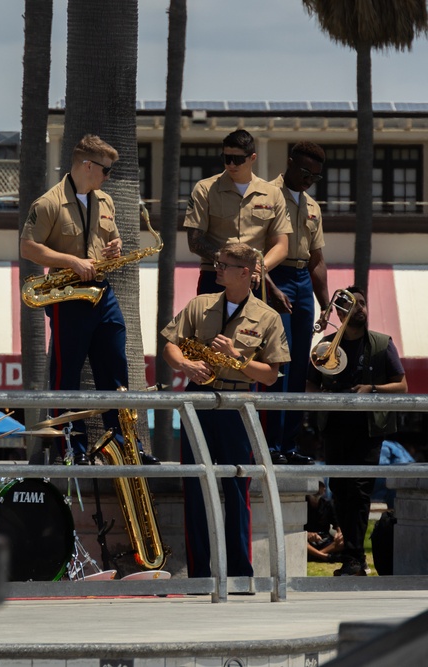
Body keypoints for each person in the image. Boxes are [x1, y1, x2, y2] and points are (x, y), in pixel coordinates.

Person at [161, 242, 290, 579]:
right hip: (198, 401)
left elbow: (272, 375)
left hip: (237, 405)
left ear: (245, 273)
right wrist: (186, 365)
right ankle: (200, 575)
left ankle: (239, 574)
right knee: (195, 486)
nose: (217, 268)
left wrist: (237, 357)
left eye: (225, 264)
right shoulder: (200, 304)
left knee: (236, 487)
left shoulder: (268, 316)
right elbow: (170, 346)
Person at [19, 134, 151, 464]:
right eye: (106, 170)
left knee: (116, 369)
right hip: (68, 295)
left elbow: (112, 235)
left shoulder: (104, 200)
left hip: (102, 292)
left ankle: (123, 446)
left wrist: (115, 246)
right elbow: (28, 247)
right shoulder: (48, 202)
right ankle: (70, 448)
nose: (109, 177)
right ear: (87, 166)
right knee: (67, 374)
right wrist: (71, 261)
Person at [306, 286, 407, 576]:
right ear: (338, 312)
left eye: (362, 303)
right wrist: (323, 397)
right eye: (351, 305)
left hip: (368, 429)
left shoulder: (381, 343)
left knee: (360, 491)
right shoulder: (325, 345)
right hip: (336, 427)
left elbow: (402, 385)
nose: (359, 309)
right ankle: (352, 556)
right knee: (339, 489)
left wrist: (371, 389)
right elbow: (309, 385)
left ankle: (354, 556)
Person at [263, 141, 330, 465]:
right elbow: (255, 250)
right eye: (304, 171)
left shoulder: (313, 206)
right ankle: (270, 445)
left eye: (315, 176)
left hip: (303, 282)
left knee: (300, 366)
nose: (308, 179)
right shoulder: (265, 195)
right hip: (274, 278)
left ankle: (288, 446)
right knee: (280, 364)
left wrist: (326, 302)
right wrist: (271, 287)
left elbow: (317, 260)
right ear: (289, 163)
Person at [184, 129, 291, 295]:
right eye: (226, 158)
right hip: (215, 275)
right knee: (211, 321)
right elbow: (195, 241)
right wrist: (229, 262)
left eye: (238, 159)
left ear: (252, 158)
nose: (231, 164)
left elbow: (281, 246)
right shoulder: (205, 189)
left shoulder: (273, 193)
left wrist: (260, 268)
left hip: (252, 278)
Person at [305, 480, 344, 563]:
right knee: (299, 541)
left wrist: (339, 534)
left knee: (344, 541)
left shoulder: (328, 504)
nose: (316, 489)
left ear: (324, 489)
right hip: (307, 539)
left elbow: (337, 525)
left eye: (320, 486)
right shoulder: (302, 504)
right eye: (313, 486)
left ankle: (317, 555)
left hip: (324, 539)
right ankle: (323, 556)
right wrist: (308, 534)